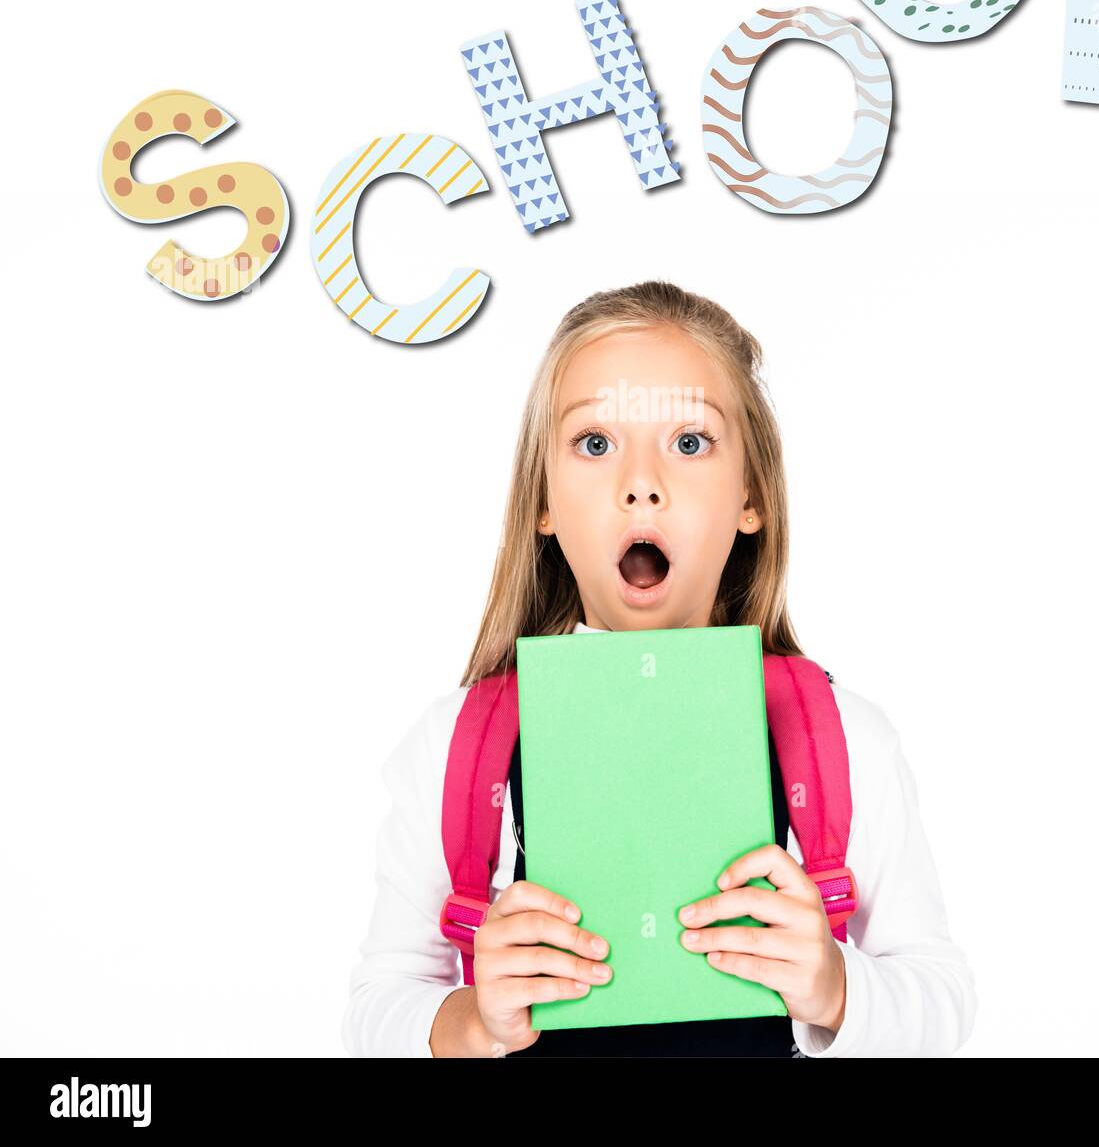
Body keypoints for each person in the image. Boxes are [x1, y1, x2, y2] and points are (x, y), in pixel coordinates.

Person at [341, 279, 977, 1057]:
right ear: (544, 499)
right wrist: (471, 1021)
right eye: (596, 443)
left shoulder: (843, 738)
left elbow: (942, 1002)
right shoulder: (455, 747)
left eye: (689, 442)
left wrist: (836, 986)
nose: (641, 483)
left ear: (752, 496)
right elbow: (375, 1013)